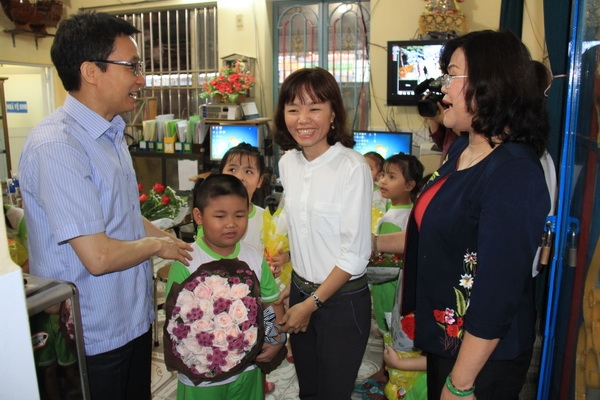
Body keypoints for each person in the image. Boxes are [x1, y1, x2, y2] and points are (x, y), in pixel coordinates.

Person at [18, 11, 193, 399]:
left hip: (132, 319)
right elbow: (96, 257)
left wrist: (171, 241)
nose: (141, 78)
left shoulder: (111, 133)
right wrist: (157, 246)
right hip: (93, 333)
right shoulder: (59, 146)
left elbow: (125, 216)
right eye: (131, 66)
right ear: (91, 71)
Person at [400, 30, 550, 399]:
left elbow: (498, 290)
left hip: (481, 359)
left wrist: (461, 382)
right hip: (447, 341)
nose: (443, 89)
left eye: (451, 76)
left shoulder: (513, 172)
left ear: (489, 84)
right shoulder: (463, 149)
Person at [273, 67, 373, 399]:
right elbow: (305, 233)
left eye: (314, 107)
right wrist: (294, 288)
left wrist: (312, 303)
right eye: (293, 108)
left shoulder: (352, 167)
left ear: (333, 114)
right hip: (301, 294)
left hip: (341, 302)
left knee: (333, 393)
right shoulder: (287, 163)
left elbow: (356, 253)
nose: (303, 118)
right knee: (309, 391)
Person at [165, 174, 285, 400]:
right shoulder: (186, 261)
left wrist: (275, 338)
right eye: (220, 216)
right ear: (198, 216)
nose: (231, 223)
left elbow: (271, 303)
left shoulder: (254, 258)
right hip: (200, 376)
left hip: (247, 370)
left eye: (240, 215)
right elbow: (175, 321)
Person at [218, 142, 290, 393]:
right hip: (222, 304)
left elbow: (273, 254)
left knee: (258, 358)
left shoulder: (264, 218)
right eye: (233, 169)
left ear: (260, 181)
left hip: (257, 304)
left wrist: (281, 262)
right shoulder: (211, 217)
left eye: (248, 171)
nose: (239, 176)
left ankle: (257, 384)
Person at [357, 153, 424, 399]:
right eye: (383, 174)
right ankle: (386, 373)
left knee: (390, 333)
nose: (383, 180)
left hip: (389, 290)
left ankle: (394, 382)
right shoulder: (407, 212)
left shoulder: (394, 220)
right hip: (396, 288)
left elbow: (386, 263)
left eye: (392, 177)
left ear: (410, 185)